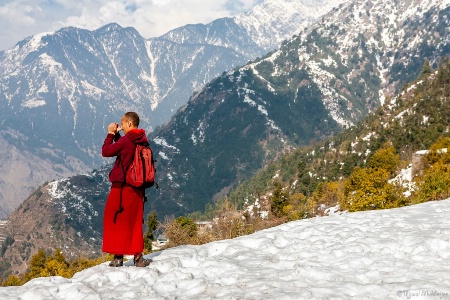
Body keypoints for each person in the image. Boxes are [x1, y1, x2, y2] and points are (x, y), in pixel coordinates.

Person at [101, 111, 152, 267]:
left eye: (123, 124)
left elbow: (106, 151)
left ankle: (118, 257)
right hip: (138, 187)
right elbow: (126, 150)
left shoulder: (126, 141)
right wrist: (118, 137)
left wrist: (110, 134)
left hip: (122, 188)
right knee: (135, 221)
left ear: (129, 123)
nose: (121, 127)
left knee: (115, 220)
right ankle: (138, 257)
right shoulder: (141, 139)